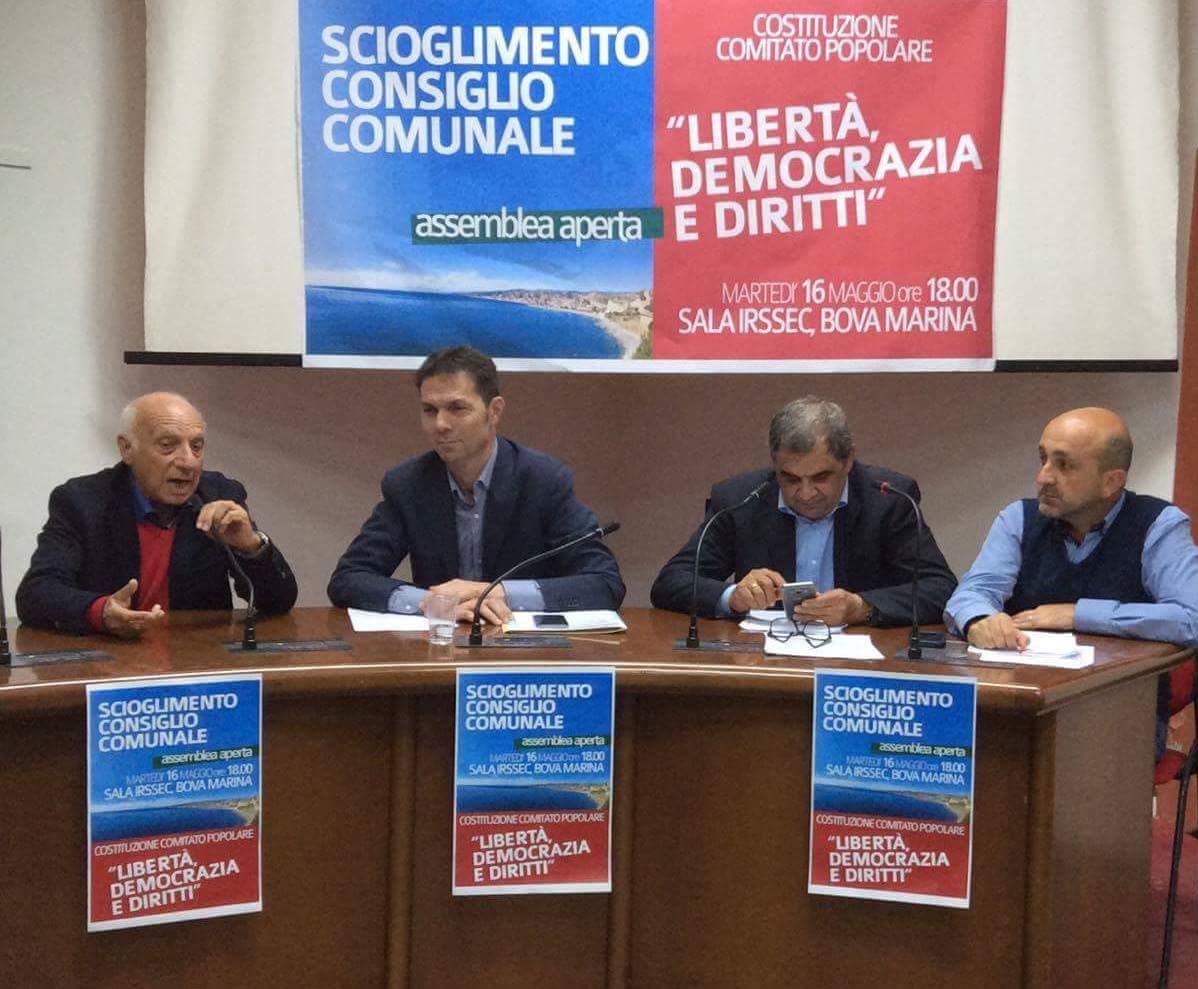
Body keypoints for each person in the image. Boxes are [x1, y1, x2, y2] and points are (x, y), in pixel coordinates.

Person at [327, 346, 624, 624]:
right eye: (430, 410)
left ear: (494, 411)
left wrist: (497, 593)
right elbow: (349, 578)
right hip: (442, 647)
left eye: (457, 408)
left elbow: (604, 584)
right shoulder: (409, 485)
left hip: (523, 646)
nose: (440, 424)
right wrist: (431, 603)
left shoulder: (542, 481)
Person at [650, 396, 956, 626]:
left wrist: (861, 607)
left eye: (821, 477)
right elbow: (670, 582)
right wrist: (733, 596)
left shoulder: (888, 499)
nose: (806, 493)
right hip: (766, 659)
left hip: (860, 662)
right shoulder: (741, 498)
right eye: (791, 479)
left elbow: (940, 589)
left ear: (848, 461)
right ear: (775, 465)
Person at [16, 392, 297, 637]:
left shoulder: (219, 495)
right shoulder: (82, 501)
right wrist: (101, 612)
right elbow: (36, 593)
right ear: (127, 448)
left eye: (196, 446)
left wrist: (250, 547)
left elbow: (279, 602)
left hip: (197, 659)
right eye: (167, 445)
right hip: (110, 659)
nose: (188, 462)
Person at [944, 407, 1198, 649]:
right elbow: (974, 592)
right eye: (1043, 459)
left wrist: (1078, 614)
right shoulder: (1018, 518)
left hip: (1124, 676)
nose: (1043, 478)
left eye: (1064, 465)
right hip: (1028, 672)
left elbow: (1191, 618)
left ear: (1111, 482)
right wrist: (979, 620)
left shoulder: (1157, 523)